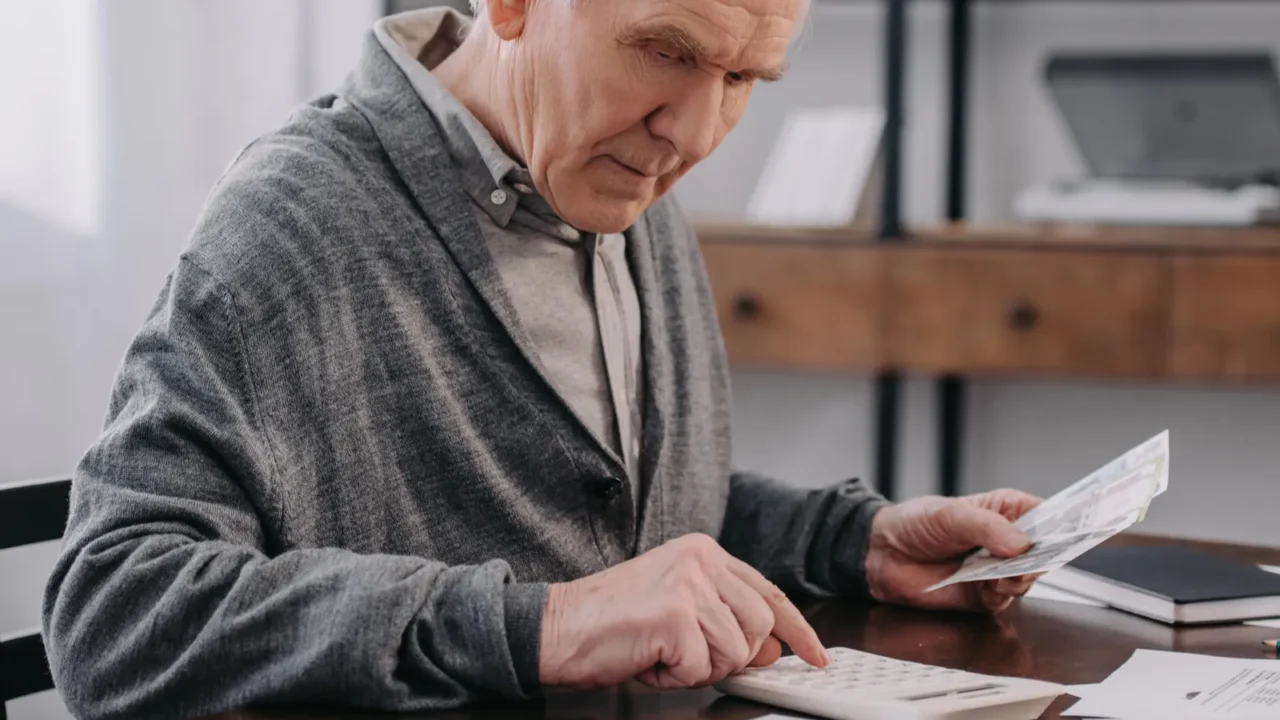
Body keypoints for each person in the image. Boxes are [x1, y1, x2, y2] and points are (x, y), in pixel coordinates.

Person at [42, 1, 1042, 718]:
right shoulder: (297, 221)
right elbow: (113, 614)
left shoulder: (623, 188)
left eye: (740, 78)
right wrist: (538, 630)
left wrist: (851, 541)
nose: (693, 134)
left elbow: (614, 524)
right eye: (662, 51)